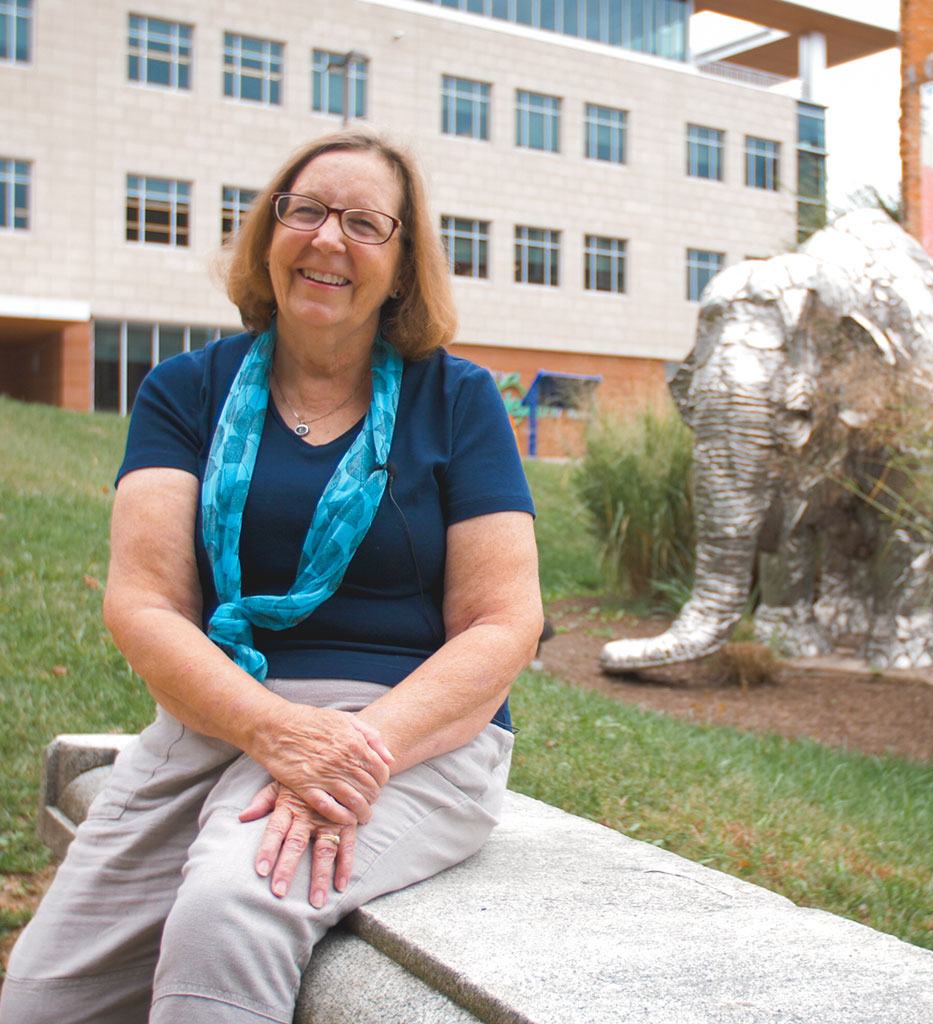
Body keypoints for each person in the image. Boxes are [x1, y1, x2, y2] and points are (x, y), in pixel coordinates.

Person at [1, 127, 543, 1024]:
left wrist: (347, 754)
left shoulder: (460, 399)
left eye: (366, 223)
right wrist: (274, 732)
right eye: (307, 211)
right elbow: (144, 603)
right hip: (223, 709)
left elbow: (502, 624)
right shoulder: (185, 390)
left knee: (231, 910)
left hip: (410, 730)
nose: (329, 239)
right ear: (269, 232)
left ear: (404, 266)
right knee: (42, 994)